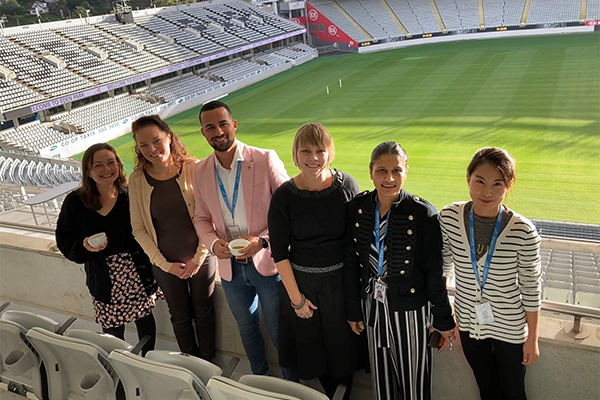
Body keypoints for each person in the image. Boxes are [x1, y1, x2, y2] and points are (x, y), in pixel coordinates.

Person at [344, 141, 456, 400]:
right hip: (373, 306)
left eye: (396, 170)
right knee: (382, 382)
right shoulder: (357, 208)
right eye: (382, 170)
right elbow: (351, 263)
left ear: (406, 171)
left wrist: (442, 319)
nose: (389, 178)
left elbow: (433, 271)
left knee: (414, 383)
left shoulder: (422, 213)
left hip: (412, 311)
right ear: (371, 171)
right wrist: (353, 309)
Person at [193, 100, 296, 380]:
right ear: (203, 133)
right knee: (246, 329)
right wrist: (214, 245)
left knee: (278, 330)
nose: (218, 131)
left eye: (223, 124)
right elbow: (201, 218)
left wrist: (262, 241)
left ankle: (292, 384)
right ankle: (258, 380)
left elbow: (288, 211)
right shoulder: (200, 170)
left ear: (234, 124)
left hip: (268, 263)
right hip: (230, 269)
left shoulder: (264, 158)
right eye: (210, 127)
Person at [439, 147, 541, 400]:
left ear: (509, 185)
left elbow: (531, 287)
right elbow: (443, 268)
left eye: (498, 184)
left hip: (510, 326)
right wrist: (442, 315)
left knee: (514, 391)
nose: (487, 192)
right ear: (468, 179)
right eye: (480, 181)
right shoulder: (450, 216)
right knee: (486, 388)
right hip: (468, 322)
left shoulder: (522, 231)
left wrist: (533, 338)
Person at [268, 123, 360, 399]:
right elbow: (279, 253)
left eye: (320, 150)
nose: (314, 157)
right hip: (303, 288)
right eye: (306, 151)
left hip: (341, 287)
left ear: (330, 153)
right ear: (295, 155)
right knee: (317, 360)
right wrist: (297, 300)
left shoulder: (348, 186)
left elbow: (356, 242)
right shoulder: (283, 196)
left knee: (345, 360)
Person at [56, 143, 159, 355]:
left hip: (137, 272)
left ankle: (147, 363)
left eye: (111, 162)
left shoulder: (131, 195)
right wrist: (83, 247)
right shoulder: (75, 202)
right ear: (88, 171)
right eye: (98, 165)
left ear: (119, 165)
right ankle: (117, 370)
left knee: (145, 321)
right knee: (112, 335)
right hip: (103, 278)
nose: (106, 169)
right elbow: (64, 240)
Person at [129, 115, 216, 360]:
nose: (151, 149)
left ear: (169, 137)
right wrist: (164, 264)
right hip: (164, 264)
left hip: (202, 258)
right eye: (143, 145)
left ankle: (209, 366)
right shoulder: (137, 179)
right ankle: (191, 366)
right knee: (179, 316)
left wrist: (199, 257)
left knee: (204, 312)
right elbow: (138, 229)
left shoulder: (193, 168)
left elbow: (209, 217)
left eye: (156, 141)